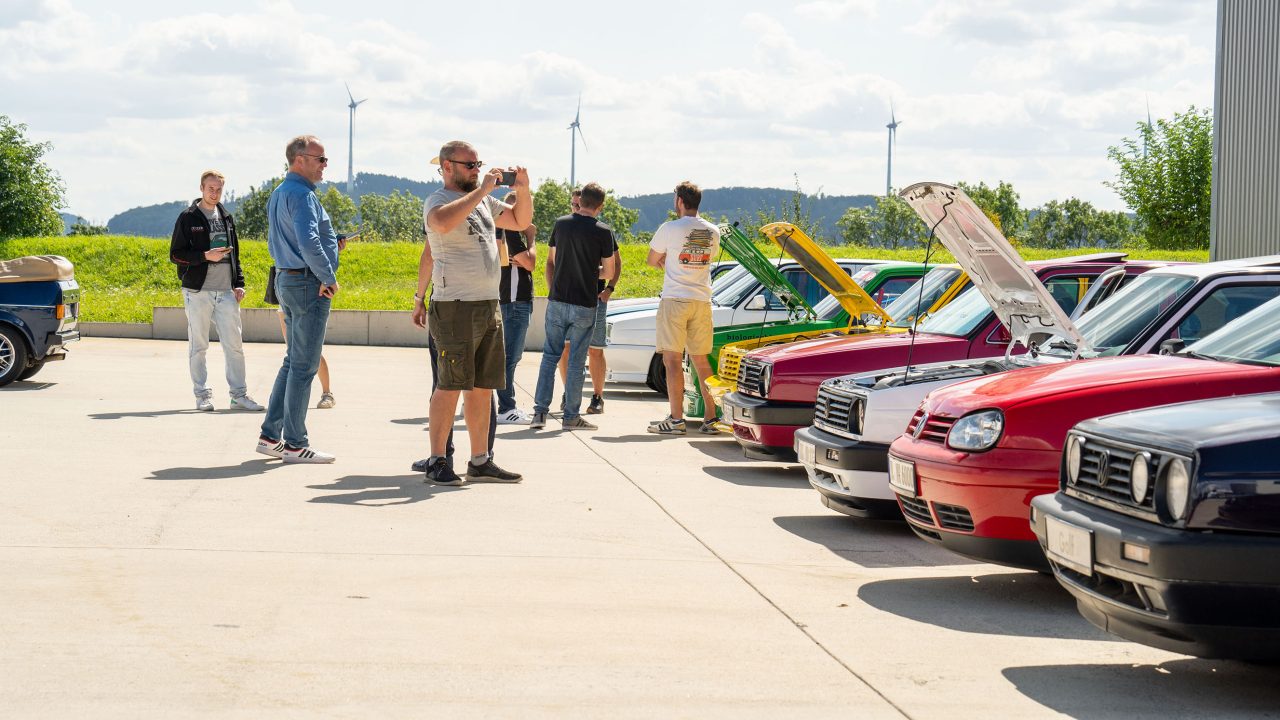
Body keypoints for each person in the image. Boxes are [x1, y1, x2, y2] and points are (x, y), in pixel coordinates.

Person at [411, 140, 530, 486]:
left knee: (481, 388)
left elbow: (521, 221)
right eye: (469, 165)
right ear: (447, 167)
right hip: (455, 307)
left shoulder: (484, 201)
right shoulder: (438, 200)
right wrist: (482, 191)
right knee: (449, 385)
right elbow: (442, 224)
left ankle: (480, 459)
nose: (477, 170)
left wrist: (524, 189)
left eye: (479, 164)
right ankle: (437, 458)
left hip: (487, 305)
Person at [254, 135, 341, 463]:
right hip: (307, 284)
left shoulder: (279, 193)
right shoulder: (302, 195)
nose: (324, 165)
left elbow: (290, 240)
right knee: (304, 365)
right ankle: (294, 443)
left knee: (293, 361)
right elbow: (307, 241)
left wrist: (329, 249)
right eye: (320, 159)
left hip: (288, 280)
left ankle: (270, 436)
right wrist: (327, 276)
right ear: (300, 159)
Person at [169, 170, 263, 412]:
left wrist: (238, 283)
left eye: (219, 189)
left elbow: (236, 255)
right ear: (201, 188)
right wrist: (204, 256)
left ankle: (238, 396)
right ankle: (202, 395)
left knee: (234, 346)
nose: (215, 193)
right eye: (210, 188)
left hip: (226, 292)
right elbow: (176, 255)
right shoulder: (188, 217)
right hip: (198, 291)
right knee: (198, 346)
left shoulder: (226, 216)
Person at [530, 182, 616, 431]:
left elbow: (553, 261)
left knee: (550, 356)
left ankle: (539, 413)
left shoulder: (561, 224)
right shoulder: (603, 231)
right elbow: (608, 271)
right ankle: (571, 416)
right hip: (584, 304)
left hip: (557, 300)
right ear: (599, 206)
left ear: (581, 201)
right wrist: (591, 271)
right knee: (578, 361)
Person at [410, 237, 495, 474]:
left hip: (452, 304)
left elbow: (429, 255)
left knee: (447, 383)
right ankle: (480, 457)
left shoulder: (444, 208)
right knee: (481, 384)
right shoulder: (484, 211)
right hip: (484, 302)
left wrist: (419, 299)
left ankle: (441, 458)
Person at [646, 181, 721, 435]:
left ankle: (676, 420)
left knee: (672, 360)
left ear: (679, 201)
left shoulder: (669, 228)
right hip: (701, 300)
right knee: (702, 361)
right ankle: (711, 418)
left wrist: (667, 263)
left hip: (675, 299)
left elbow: (651, 259)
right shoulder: (713, 231)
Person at [554, 188, 620, 415]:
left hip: (594, 298)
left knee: (595, 350)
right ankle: (568, 394)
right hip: (566, 298)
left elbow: (615, 264)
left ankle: (597, 396)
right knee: (566, 349)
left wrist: (609, 288)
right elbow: (551, 262)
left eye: (578, 204)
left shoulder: (601, 231)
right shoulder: (565, 227)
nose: (576, 209)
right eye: (573, 205)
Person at [496, 191, 537, 424]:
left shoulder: (502, 230)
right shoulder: (511, 230)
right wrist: (531, 237)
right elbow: (530, 263)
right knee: (510, 357)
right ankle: (506, 408)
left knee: (506, 356)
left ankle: (496, 402)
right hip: (514, 301)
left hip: (508, 299)